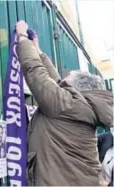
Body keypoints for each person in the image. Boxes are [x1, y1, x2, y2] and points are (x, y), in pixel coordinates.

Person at [16, 20, 113, 186]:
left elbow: (36, 73)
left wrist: (22, 37)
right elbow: (57, 82)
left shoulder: (67, 105)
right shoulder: (80, 106)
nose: (62, 84)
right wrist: (38, 52)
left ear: (77, 90)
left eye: (67, 84)